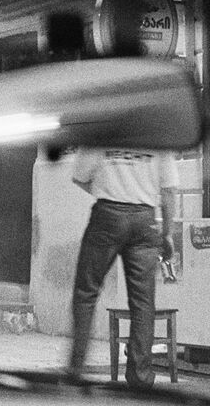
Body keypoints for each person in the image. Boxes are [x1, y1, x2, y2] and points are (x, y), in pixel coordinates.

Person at [66, 146, 178, 386]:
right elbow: (169, 191)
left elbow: (80, 177)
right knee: (143, 302)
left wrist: (108, 192)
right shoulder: (159, 137)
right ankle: (140, 377)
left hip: (107, 216)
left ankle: (76, 369)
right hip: (145, 219)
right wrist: (167, 234)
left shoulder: (104, 132)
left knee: (86, 293)